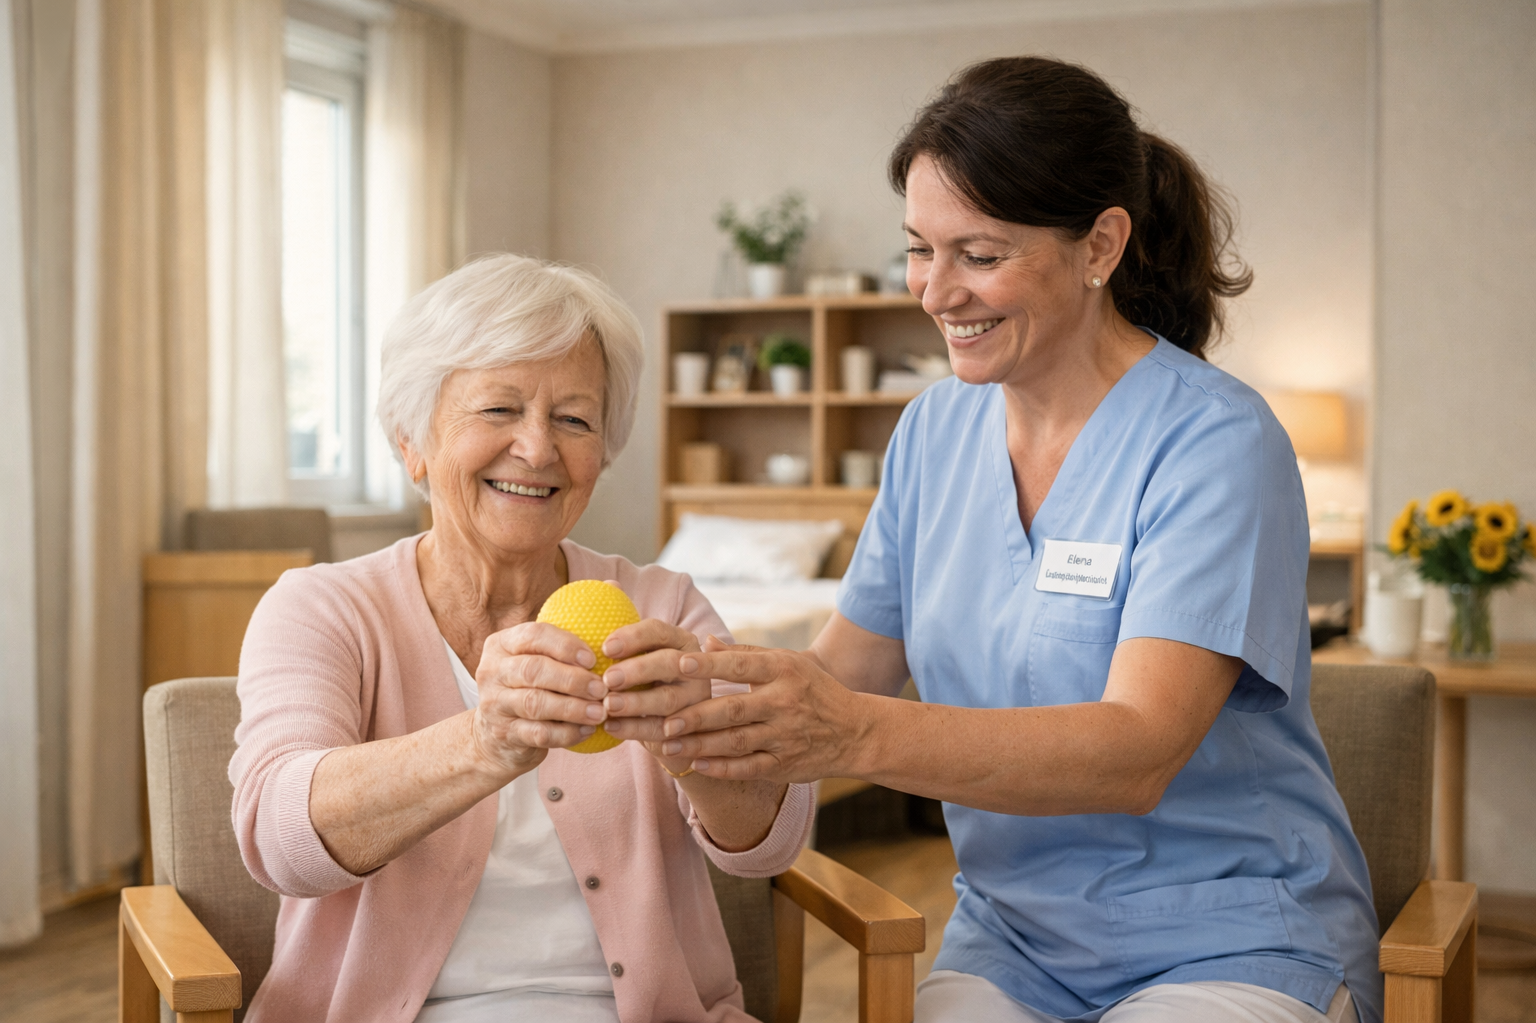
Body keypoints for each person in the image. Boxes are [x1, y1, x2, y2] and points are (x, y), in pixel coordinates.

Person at [611, 57, 1382, 1023]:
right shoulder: (933, 435)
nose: (936, 294)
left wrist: (849, 730)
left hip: (1229, 937)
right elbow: (843, 675)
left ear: (1101, 245)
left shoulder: (1216, 442)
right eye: (919, 250)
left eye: (978, 255)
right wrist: (700, 695)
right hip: (1014, 943)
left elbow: (1136, 752)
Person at [229, 254, 814, 1023]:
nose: (538, 449)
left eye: (574, 418)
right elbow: (277, 839)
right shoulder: (322, 608)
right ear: (414, 442)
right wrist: (483, 743)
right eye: (499, 410)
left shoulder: (662, 603)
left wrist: (694, 744)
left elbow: (772, 842)